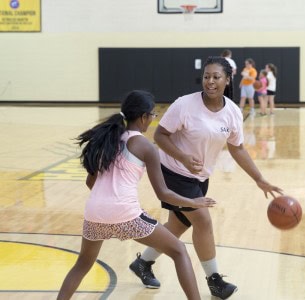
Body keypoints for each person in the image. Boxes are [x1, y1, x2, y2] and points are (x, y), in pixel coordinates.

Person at [129, 57, 283, 300]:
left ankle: (143, 263)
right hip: (172, 172)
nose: (210, 81)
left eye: (216, 77)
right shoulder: (185, 105)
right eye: (206, 76)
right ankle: (214, 280)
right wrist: (183, 157)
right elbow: (160, 135)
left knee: (179, 225)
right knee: (203, 221)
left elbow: (238, 149)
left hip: (199, 177)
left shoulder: (232, 112)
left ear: (227, 79)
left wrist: (259, 179)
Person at [57, 90, 216, 300]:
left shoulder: (107, 139)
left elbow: (90, 182)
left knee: (82, 265)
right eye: (152, 115)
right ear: (143, 117)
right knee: (179, 251)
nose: (152, 119)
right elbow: (164, 193)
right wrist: (192, 201)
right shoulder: (145, 146)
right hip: (125, 214)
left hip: (94, 212)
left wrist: (106, 203)